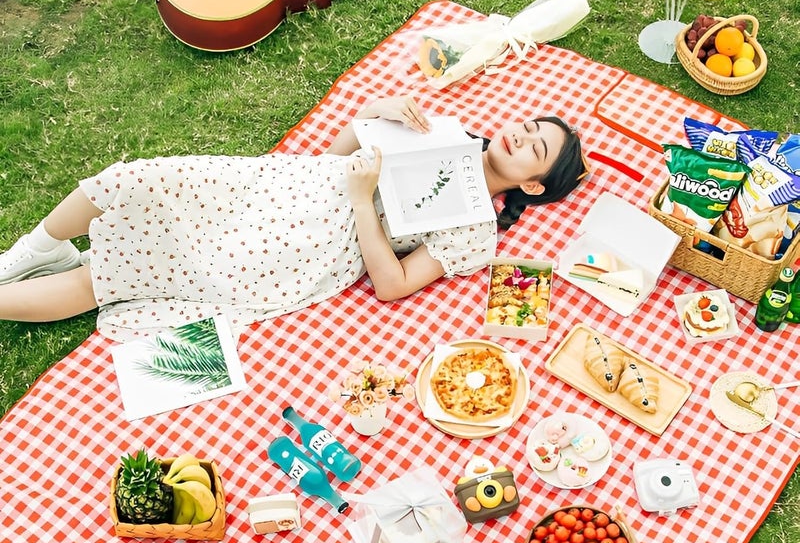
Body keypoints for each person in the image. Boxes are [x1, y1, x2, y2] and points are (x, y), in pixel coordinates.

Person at [0, 96, 585, 338]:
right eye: (529, 126)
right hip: (287, 183)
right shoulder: (447, 133)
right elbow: (335, 154)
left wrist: (362, 200)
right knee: (141, 178)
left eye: (535, 148)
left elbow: (393, 285)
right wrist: (377, 113)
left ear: (533, 184)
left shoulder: (478, 230)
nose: (520, 136)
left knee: (119, 276)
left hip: (309, 247)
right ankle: (32, 250)